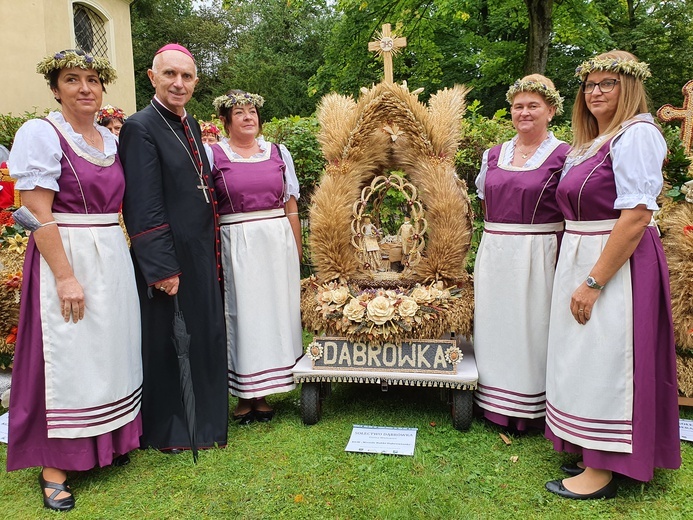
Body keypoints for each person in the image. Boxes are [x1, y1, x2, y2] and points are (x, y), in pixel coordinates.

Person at [6, 49, 142, 511]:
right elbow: (35, 212)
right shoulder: (40, 134)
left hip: (110, 252)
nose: (85, 88)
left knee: (107, 350)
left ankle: (108, 444)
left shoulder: (109, 138)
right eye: (72, 80)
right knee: (65, 356)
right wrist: (64, 277)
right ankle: (54, 467)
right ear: (55, 88)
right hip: (65, 252)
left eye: (92, 80)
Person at [544, 51, 681, 499]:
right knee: (586, 353)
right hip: (586, 251)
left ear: (631, 88)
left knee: (609, 357)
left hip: (618, 261)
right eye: (589, 85)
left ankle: (603, 468)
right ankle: (590, 446)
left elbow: (637, 215)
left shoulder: (637, 134)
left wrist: (595, 280)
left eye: (608, 84)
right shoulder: (595, 139)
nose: (595, 92)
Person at [119, 44, 228, 450]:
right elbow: (142, 204)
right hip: (169, 256)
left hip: (200, 249)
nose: (178, 83)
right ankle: (174, 430)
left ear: (195, 82)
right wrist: (162, 266)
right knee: (171, 340)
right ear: (152, 77)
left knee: (201, 335)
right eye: (170, 74)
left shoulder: (191, 124)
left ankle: (207, 423)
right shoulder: (140, 127)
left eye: (186, 76)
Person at [473, 75, 569, 431]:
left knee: (532, 324)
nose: (524, 113)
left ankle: (531, 406)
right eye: (518, 106)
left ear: (551, 110)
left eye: (533, 106)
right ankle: (491, 400)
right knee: (495, 321)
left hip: (539, 249)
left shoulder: (565, 155)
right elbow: (484, 200)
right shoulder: (493, 155)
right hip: (496, 247)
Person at [207, 89, 302, 424]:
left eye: (252, 112)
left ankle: (271, 387)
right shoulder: (213, 154)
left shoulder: (278, 153)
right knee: (244, 313)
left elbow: (291, 204)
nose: (248, 117)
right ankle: (246, 394)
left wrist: (296, 249)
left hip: (277, 240)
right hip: (237, 239)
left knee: (276, 311)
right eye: (239, 113)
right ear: (225, 120)